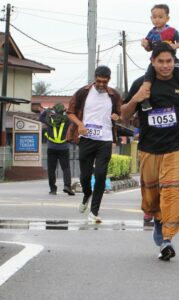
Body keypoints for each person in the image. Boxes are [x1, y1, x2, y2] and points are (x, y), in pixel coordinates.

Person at [121, 43, 179, 261]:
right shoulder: (141, 84)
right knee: (152, 196)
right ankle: (158, 220)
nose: (165, 66)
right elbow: (123, 114)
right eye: (161, 61)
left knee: (173, 191)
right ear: (152, 62)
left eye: (169, 61)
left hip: (178, 148)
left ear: (174, 61)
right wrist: (136, 98)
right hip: (149, 149)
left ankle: (167, 239)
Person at [66, 66, 122, 224]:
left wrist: (117, 116)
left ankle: (94, 212)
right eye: (98, 81)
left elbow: (120, 113)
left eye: (104, 82)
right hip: (86, 138)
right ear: (94, 78)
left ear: (109, 80)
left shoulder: (114, 95)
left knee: (100, 174)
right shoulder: (83, 92)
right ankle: (86, 194)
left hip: (105, 139)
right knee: (84, 176)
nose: (101, 84)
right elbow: (70, 112)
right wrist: (80, 125)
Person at [139, 4, 179, 113]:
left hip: (172, 61)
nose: (157, 19)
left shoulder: (172, 31)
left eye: (160, 17)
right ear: (151, 18)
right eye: (154, 17)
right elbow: (149, 49)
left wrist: (175, 46)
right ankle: (144, 100)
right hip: (155, 62)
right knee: (147, 80)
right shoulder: (151, 33)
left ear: (167, 18)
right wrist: (145, 45)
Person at [39, 103, 74, 196]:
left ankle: (53, 189)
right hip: (64, 147)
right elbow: (74, 118)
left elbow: (40, 117)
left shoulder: (49, 118)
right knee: (66, 168)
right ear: (63, 110)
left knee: (51, 169)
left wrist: (47, 110)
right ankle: (67, 186)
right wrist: (66, 112)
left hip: (51, 148)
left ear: (54, 109)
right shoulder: (68, 120)